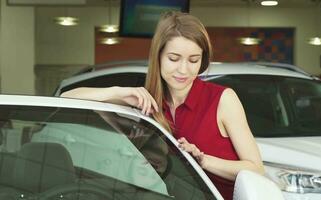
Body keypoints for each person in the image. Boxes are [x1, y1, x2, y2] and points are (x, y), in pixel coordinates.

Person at [61, 11, 264, 200]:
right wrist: (118, 92)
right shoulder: (146, 101)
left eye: (194, 60)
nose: (183, 70)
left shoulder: (222, 99)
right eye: (174, 59)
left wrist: (202, 160)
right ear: (158, 57)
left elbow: (256, 169)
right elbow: (67, 97)